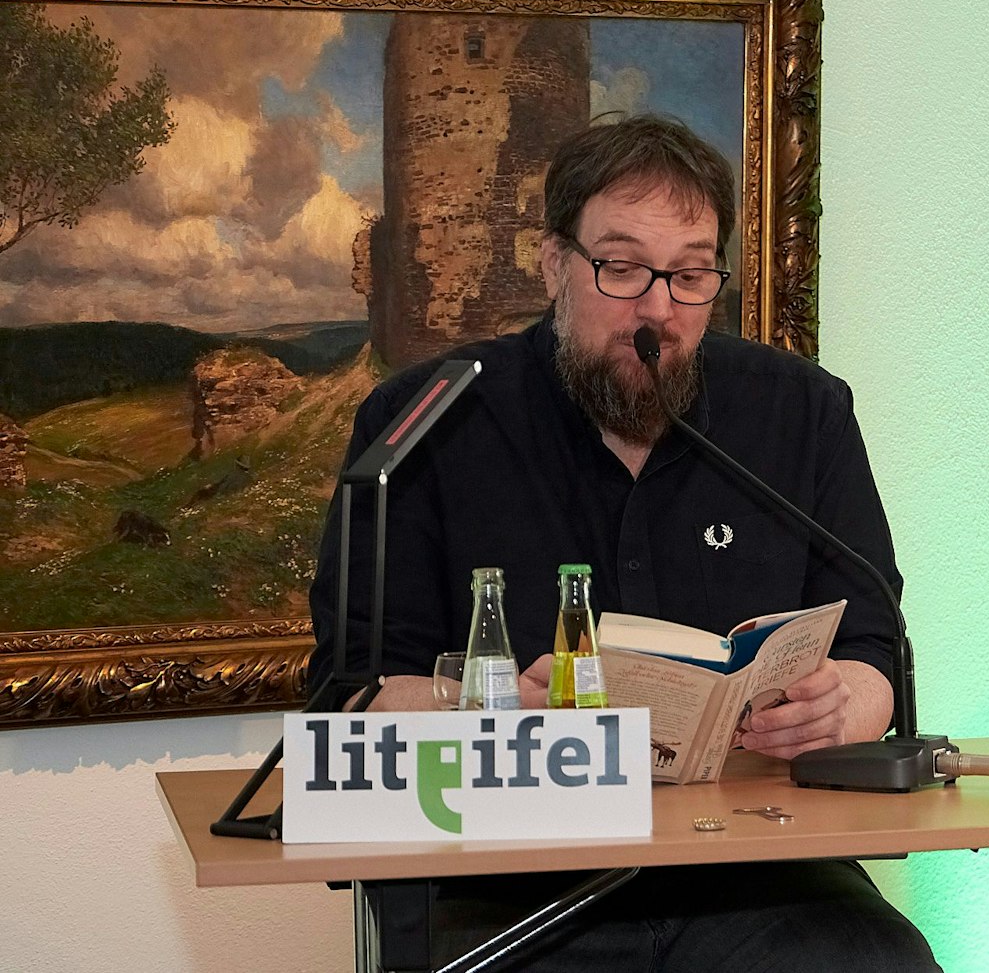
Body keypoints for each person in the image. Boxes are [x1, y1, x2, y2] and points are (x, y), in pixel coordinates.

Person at [306, 115, 938, 972]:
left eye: (689, 275)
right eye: (622, 266)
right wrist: (495, 719)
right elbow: (350, 691)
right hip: (505, 886)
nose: (657, 308)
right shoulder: (426, 422)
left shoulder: (801, 413)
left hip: (759, 877)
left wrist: (849, 703)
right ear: (552, 263)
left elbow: (874, 645)